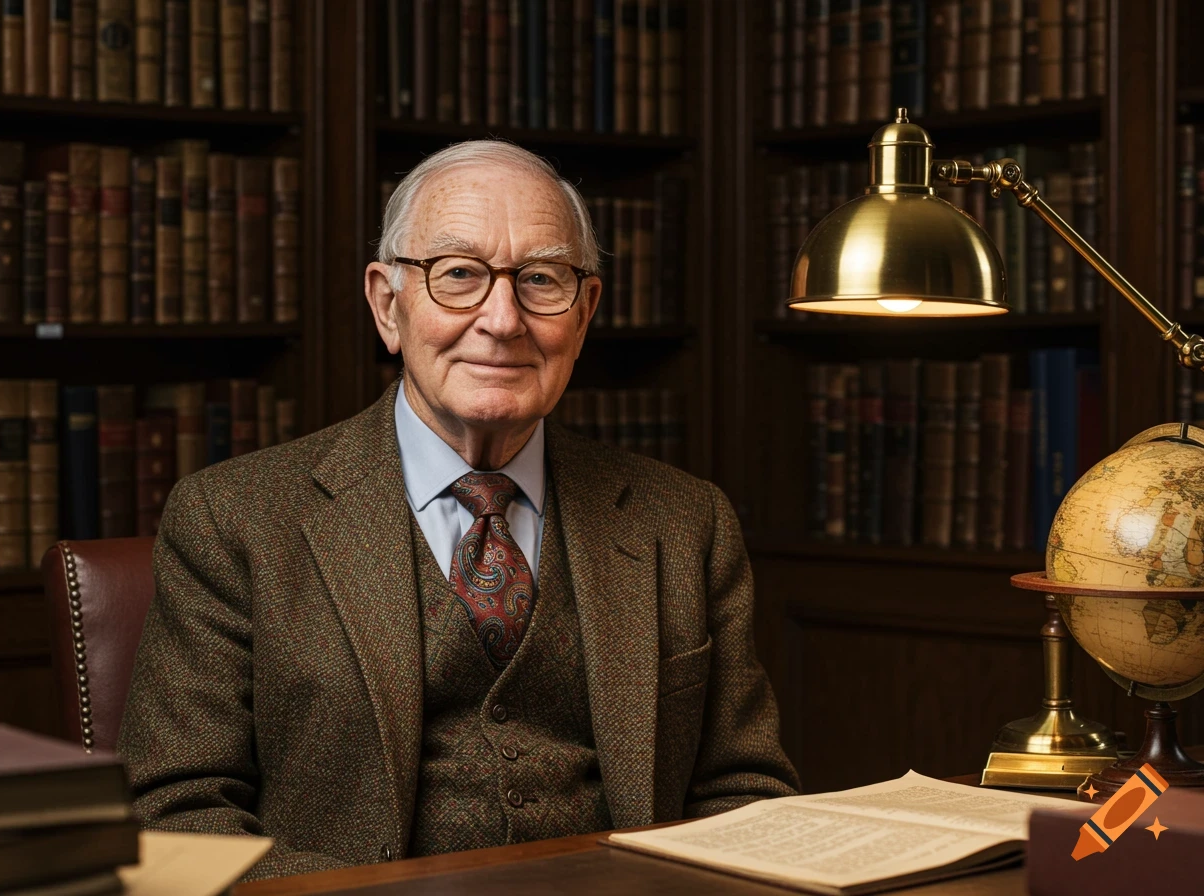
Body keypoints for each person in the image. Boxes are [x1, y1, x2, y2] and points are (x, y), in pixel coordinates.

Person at [117, 140, 799, 881]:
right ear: (387, 305)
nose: (503, 320)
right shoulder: (232, 519)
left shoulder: (686, 521)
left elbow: (744, 793)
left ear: (585, 311)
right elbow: (176, 818)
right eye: (459, 276)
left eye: (541, 279)